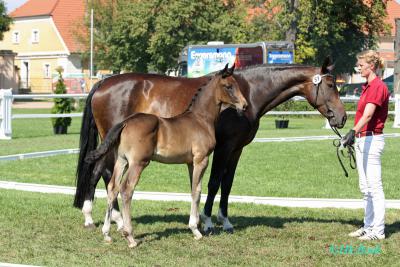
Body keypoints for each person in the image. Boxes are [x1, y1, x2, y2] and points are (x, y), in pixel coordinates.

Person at [341, 50, 389, 240]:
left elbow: (368, 114)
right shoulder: (367, 87)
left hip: (371, 138)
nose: (358, 68)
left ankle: (378, 231)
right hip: (363, 138)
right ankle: (369, 226)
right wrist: (356, 134)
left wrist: (353, 131)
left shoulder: (377, 86)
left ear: (371, 66)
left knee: (374, 187)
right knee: (365, 187)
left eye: (361, 65)